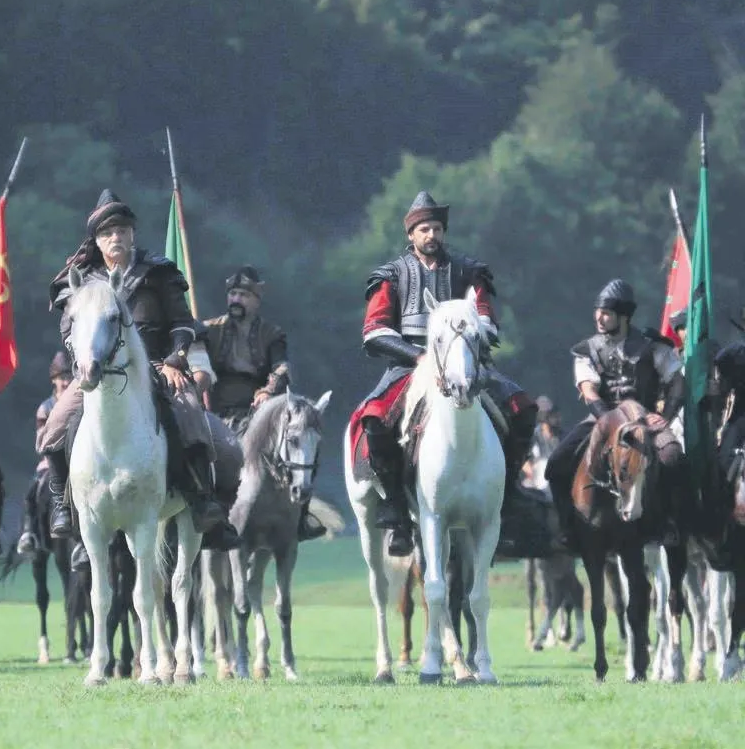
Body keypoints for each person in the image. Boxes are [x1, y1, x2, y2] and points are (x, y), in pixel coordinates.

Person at [37, 189, 239, 551]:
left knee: (191, 414)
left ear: (133, 234)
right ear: (96, 241)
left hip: (158, 367)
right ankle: (65, 506)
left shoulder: (158, 273)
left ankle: (200, 498)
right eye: (107, 233)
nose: (116, 238)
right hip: (97, 370)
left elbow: (182, 322)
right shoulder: (81, 277)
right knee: (55, 425)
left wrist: (177, 359)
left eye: (122, 230)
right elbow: (68, 327)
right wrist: (81, 357)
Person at [352, 191, 541, 557]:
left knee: (522, 407)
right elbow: (374, 329)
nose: (431, 235)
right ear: (411, 234)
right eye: (424, 229)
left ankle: (509, 493)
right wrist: (418, 356)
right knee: (374, 418)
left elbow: (487, 320)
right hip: (410, 365)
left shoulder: (470, 272)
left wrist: (466, 343)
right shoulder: (392, 275)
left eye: (437, 228)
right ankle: (395, 509)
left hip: (466, 361)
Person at [544, 279, 689, 548]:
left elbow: (677, 382)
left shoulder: (653, 346)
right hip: (601, 418)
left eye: (607, 312)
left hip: (645, 419)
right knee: (556, 464)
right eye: (598, 311)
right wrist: (608, 421)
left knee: (672, 458)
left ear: (623, 316)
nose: (599, 317)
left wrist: (666, 415)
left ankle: (670, 522)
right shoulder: (586, 350)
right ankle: (568, 528)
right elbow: (589, 391)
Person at [204, 265, 324, 541]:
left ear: (257, 300)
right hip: (215, 412)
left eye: (244, 295)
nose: (236, 299)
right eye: (233, 293)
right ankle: (205, 508)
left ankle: (300, 516)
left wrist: (268, 390)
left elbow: (282, 367)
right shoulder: (209, 330)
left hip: (258, 412)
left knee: (301, 440)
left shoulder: (272, 333)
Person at [16, 350, 73, 558]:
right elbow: (41, 441)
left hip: (80, 460)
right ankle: (29, 532)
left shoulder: (83, 402)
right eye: (62, 378)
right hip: (51, 461)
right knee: (32, 491)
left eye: (69, 377)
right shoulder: (46, 408)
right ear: (54, 381)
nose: (66, 382)